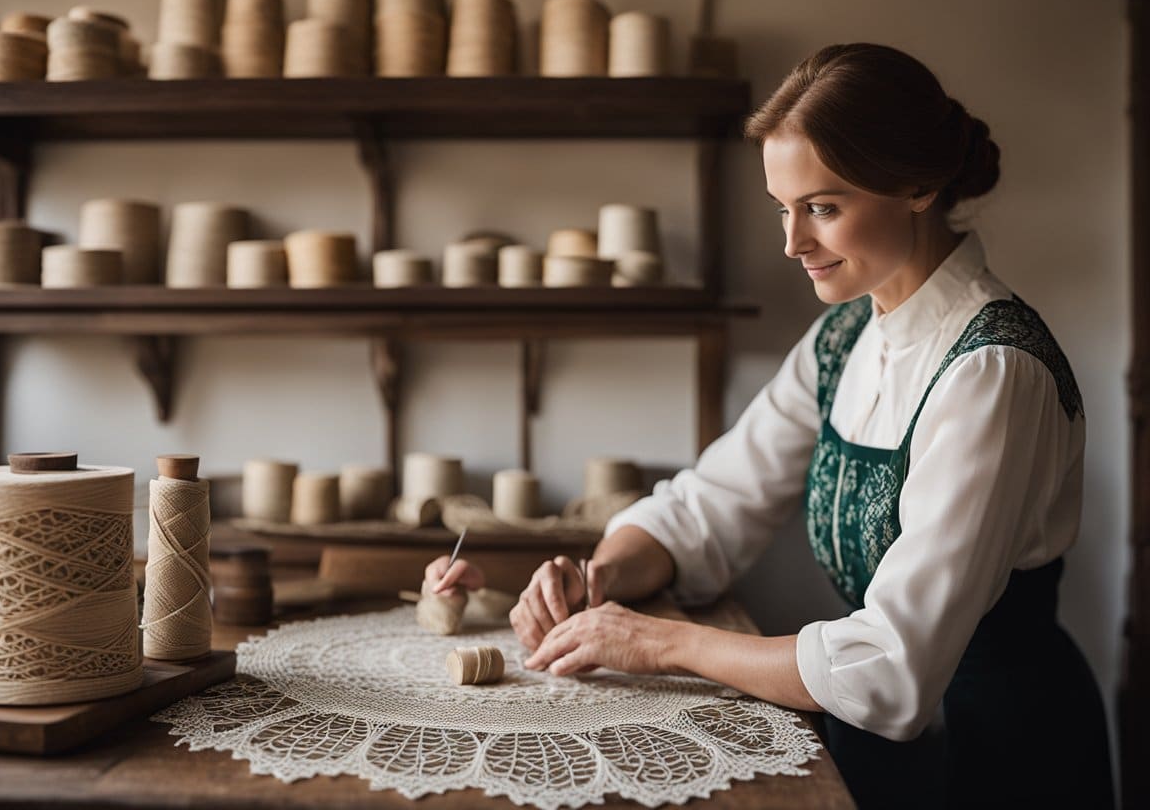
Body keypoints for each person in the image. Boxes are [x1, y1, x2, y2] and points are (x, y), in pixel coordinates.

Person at [425, 43, 1114, 809]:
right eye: (783, 209)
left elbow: (891, 668)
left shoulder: (994, 371)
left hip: (1000, 760)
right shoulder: (844, 338)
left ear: (917, 184)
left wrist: (663, 642)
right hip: (872, 746)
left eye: (823, 207)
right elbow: (709, 506)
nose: (792, 243)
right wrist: (597, 579)